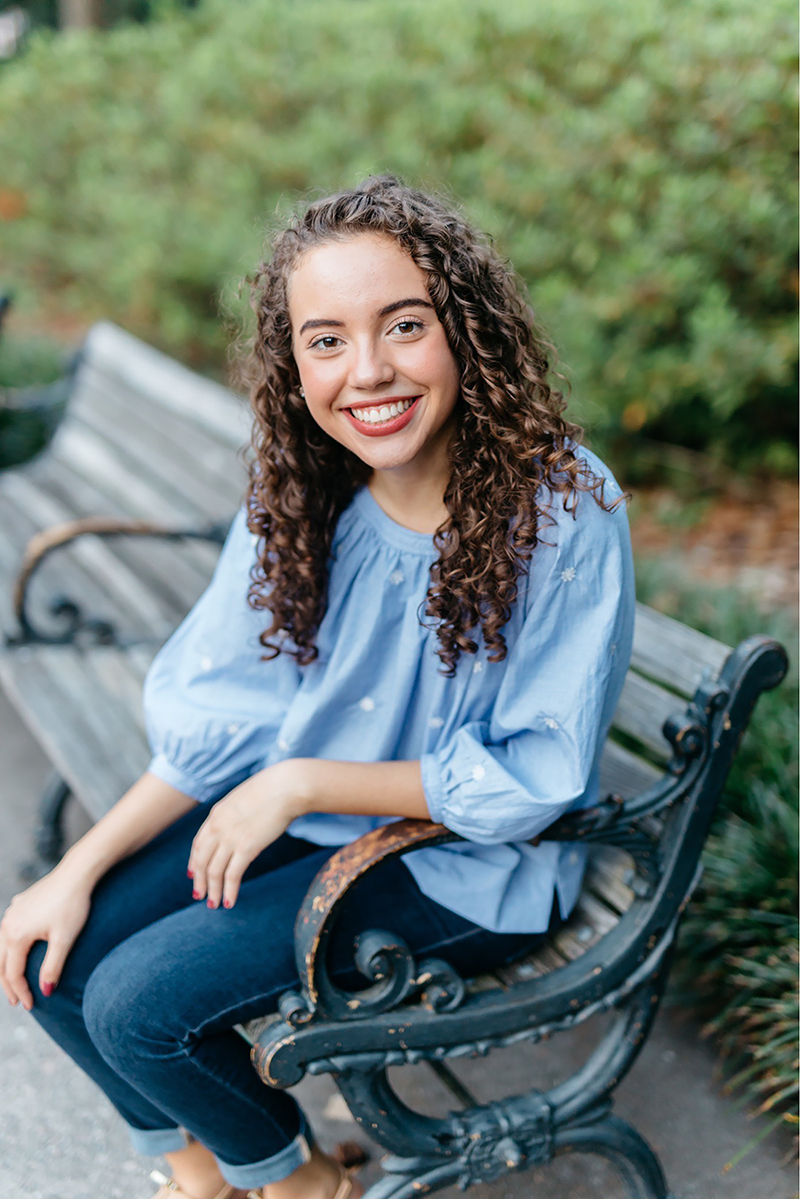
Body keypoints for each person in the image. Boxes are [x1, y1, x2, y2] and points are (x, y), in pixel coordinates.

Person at [0, 176, 634, 1199]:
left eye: (404, 325)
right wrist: (72, 867)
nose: (368, 370)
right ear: (293, 364)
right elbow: (224, 723)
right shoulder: (306, 489)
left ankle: (301, 1185)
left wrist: (297, 782)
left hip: (469, 867)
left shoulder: (558, 508)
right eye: (326, 339)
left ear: (465, 330)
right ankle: (206, 1173)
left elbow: (536, 775)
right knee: (48, 956)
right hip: (315, 818)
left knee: (135, 1006)